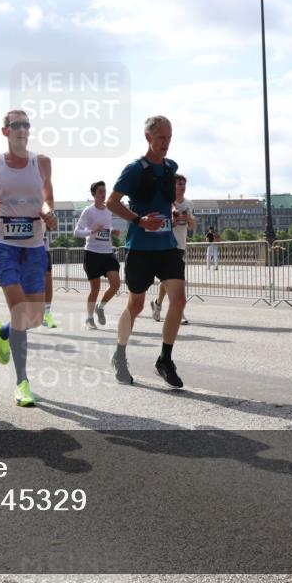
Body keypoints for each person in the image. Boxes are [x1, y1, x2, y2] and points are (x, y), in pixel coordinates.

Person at [0, 109, 56, 407]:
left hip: (34, 243)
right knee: (20, 312)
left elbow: (46, 199)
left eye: (26, 125)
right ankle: (22, 383)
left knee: (35, 317)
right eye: (16, 125)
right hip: (3, 242)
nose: (22, 130)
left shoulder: (42, 162)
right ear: (5, 131)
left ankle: (2, 333)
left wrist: (48, 213)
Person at [106, 115, 186, 388]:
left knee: (179, 299)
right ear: (148, 137)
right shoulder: (134, 170)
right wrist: (139, 220)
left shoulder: (171, 167)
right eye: (161, 137)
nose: (166, 143)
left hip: (167, 247)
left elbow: (166, 200)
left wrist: (173, 213)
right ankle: (119, 354)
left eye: (170, 138)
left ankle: (165, 359)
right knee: (136, 305)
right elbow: (111, 202)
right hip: (140, 247)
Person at [74, 181, 121, 330]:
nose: (103, 194)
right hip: (92, 253)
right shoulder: (88, 211)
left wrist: (112, 230)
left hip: (107, 252)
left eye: (104, 191)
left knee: (116, 284)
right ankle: (89, 318)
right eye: (100, 191)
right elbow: (77, 232)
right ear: (93, 194)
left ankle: (100, 307)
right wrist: (91, 231)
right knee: (95, 289)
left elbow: (107, 226)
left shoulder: (108, 210)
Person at [152, 174, 194, 325]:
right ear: (172, 186)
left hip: (181, 246)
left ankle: (157, 304)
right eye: (179, 184)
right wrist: (172, 222)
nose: (182, 186)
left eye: (183, 184)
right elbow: (160, 225)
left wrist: (189, 219)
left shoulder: (189, 203)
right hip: (168, 246)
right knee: (176, 282)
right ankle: (179, 312)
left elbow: (191, 226)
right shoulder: (167, 203)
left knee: (167, 281)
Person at [41, 230, 57, 328]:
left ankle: (46, 314)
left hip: (44, 251)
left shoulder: (45, 214)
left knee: (48, 283)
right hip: (28, 250)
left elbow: (52, 226)